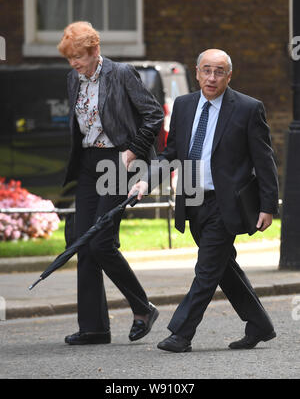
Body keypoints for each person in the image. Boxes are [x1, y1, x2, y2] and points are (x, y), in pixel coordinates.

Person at [129, 49, 279, 352]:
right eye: (207, 71)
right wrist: (146, 178)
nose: (212, 77)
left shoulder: (248, 109)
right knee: (223, 266)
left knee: (207, 270)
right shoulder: (183, 106)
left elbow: (264, 161)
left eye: (219, 71)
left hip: (228, 205)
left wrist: (267, 205)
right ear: (197, 73)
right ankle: (259, 324)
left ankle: (181, 334)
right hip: (193, 199)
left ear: (229, 76)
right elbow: (171, 154)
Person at [57, 21, 163, 345]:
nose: (74, 64)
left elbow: (154, 114)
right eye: (69, 58)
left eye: (78, 57)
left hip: (119, 161)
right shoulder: (72, 79)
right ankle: (94, 327)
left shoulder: (120, 73)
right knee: (81, 241)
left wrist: (133, 150)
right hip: (90, 164)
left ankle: (142, 307)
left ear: (94, 50)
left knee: (100, 241)